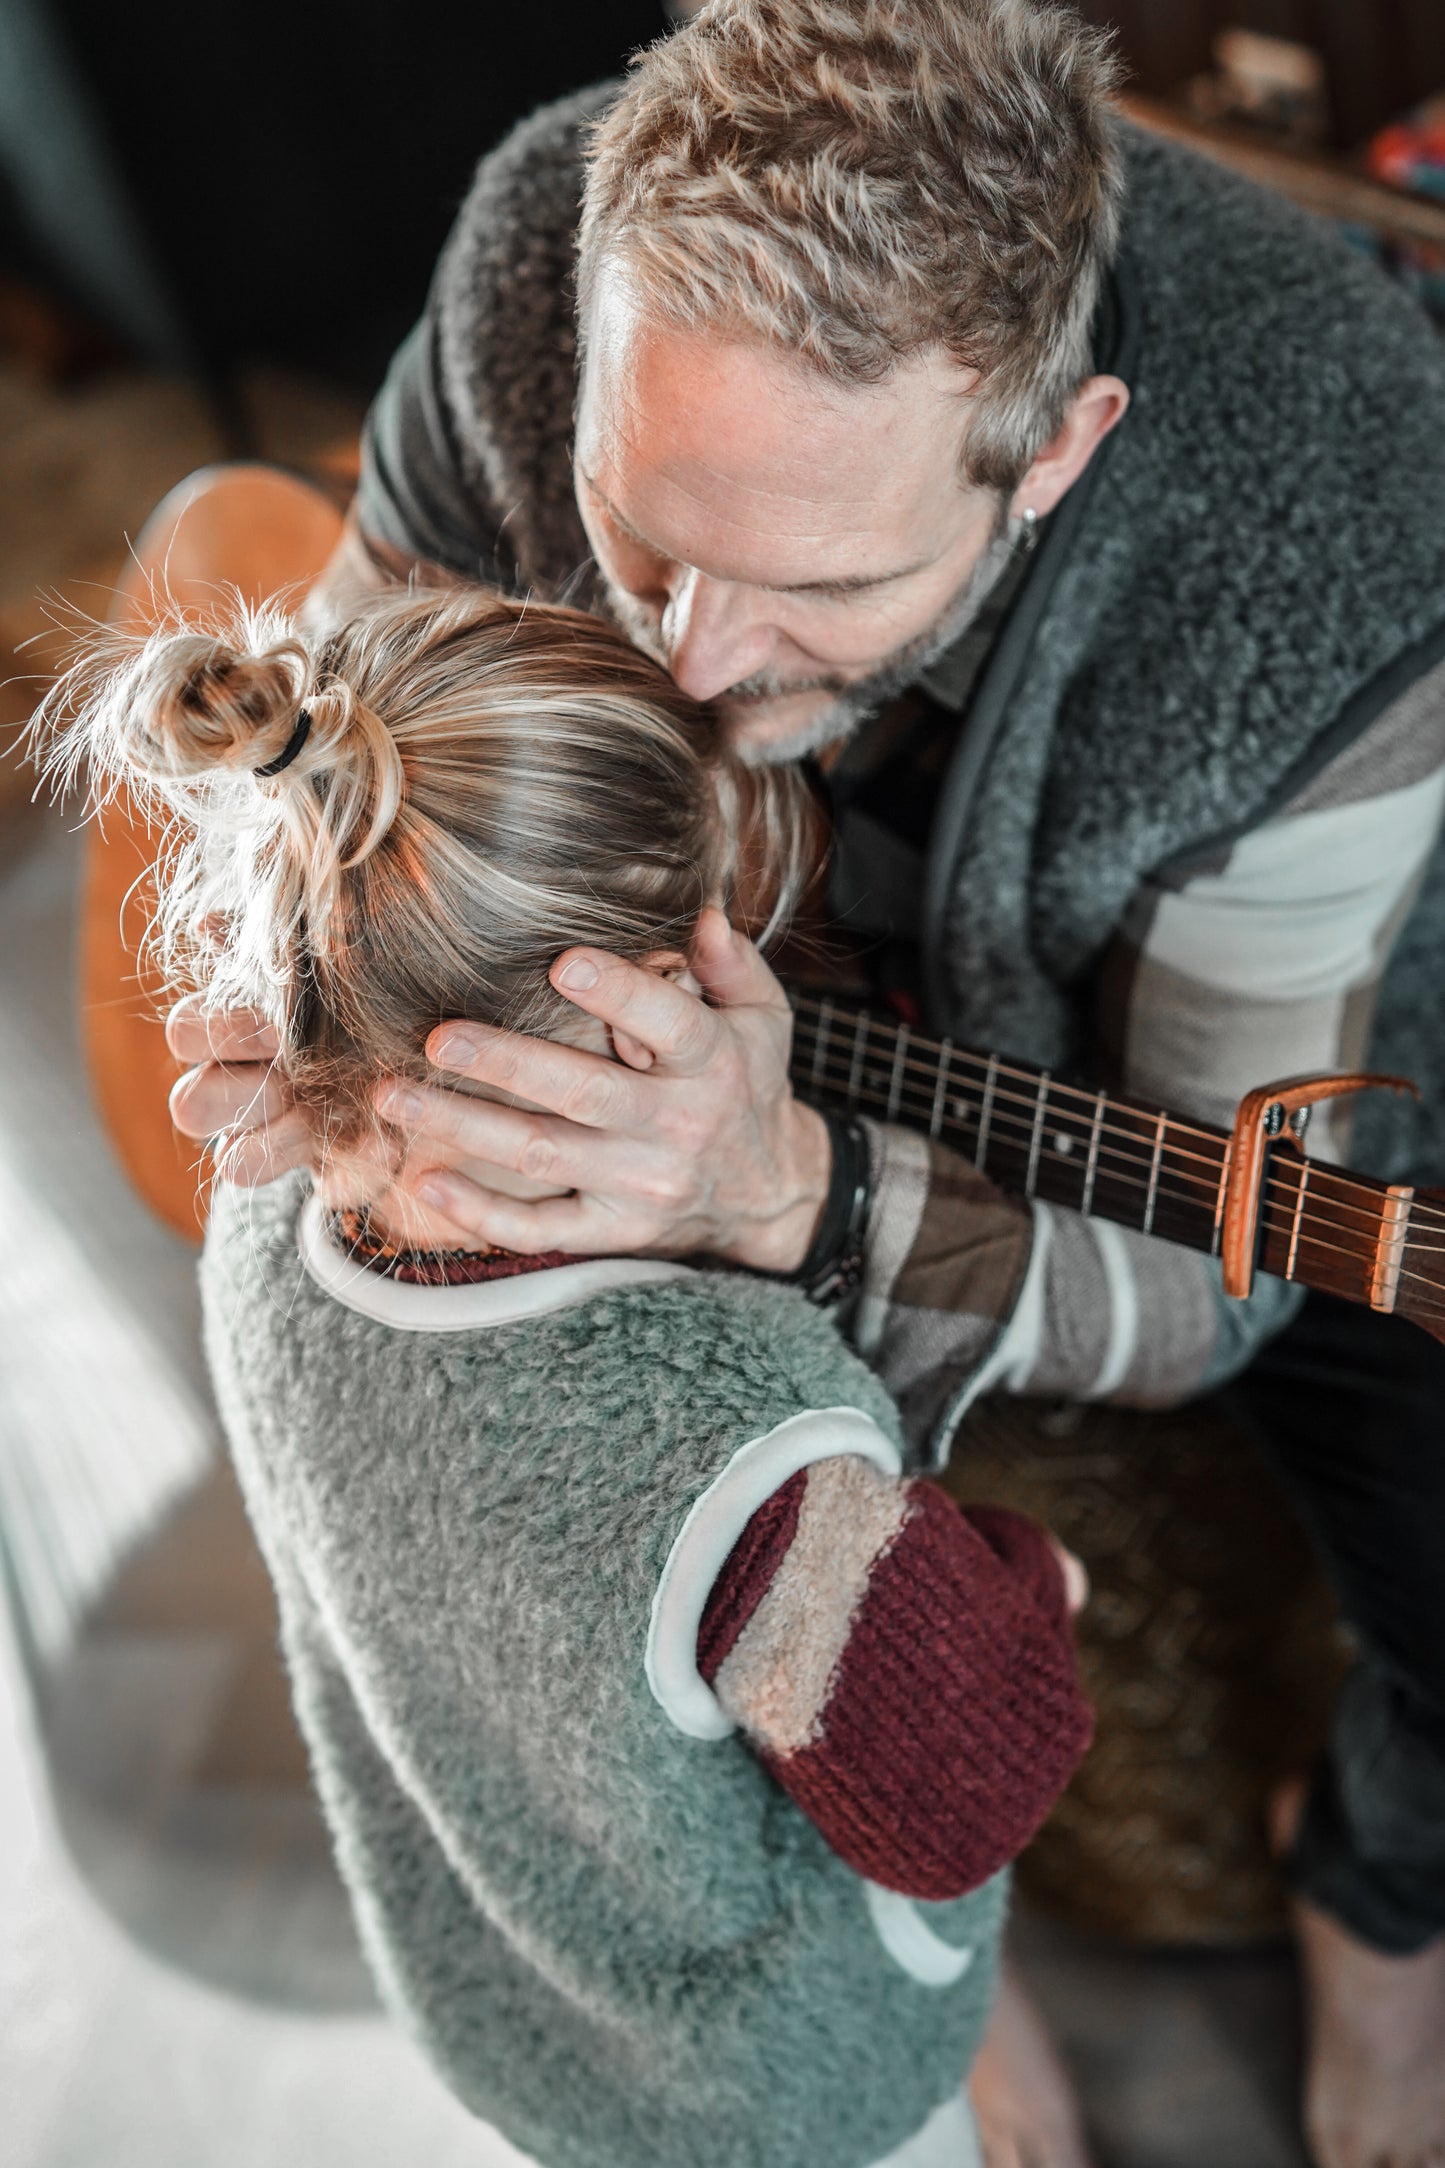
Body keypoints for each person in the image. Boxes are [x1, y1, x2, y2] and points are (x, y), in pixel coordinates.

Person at [162, 5, 1445, 2165]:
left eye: (826, 583)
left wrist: (794, 1199)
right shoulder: (525, 252)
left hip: (1170, 1105)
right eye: (638, 531)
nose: (684, 663)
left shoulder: (1350, 526)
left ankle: (1384, 1903)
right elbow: (323, 752)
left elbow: (1208, 1280)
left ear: (1057, 449)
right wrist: (316, 1009)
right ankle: (935, 1971)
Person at [41, 584, 1094, 2168]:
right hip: (786, 2095)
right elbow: (958, 1793)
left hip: (504, 2002)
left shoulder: (260, 1207)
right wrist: (1030, 1583)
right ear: (645, 1002)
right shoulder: (733, 1458)